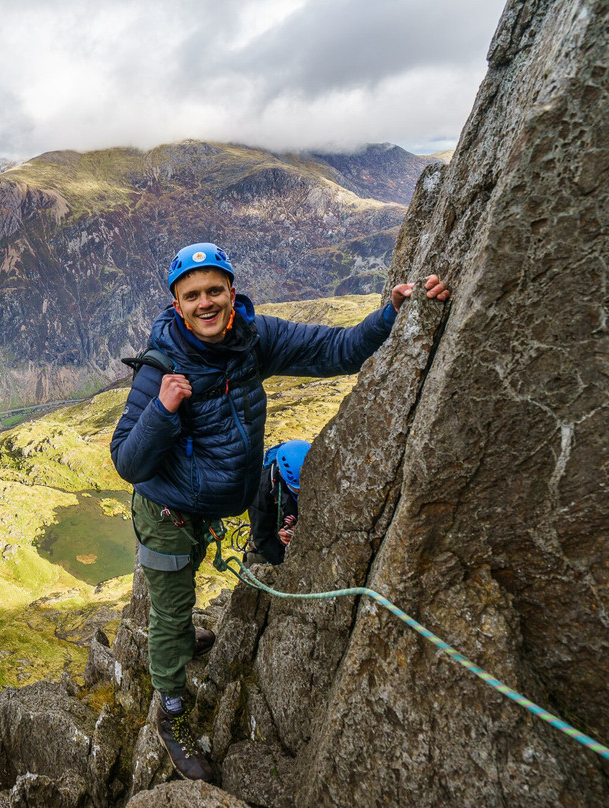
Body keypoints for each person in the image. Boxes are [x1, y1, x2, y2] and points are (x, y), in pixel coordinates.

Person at [110, 242, 449, 781]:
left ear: (231, 291)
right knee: (171, 611)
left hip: (210, 506)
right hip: (167, 513)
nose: (205, 303)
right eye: (192, 295)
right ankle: (170, 716)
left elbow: (337, 351)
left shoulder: (254, 339)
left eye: (214, 290)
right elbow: (127, 460)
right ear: (177, 304)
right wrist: (162, 409)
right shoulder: (162, 367)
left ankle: (174, 645)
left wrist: (392, 314)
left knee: (182, 605)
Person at [244, 439, 310, 566]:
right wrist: (286, 563)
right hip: (270, 543)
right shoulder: (263, 488)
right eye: (298, 489)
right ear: (281, 474)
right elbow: (262, 537)